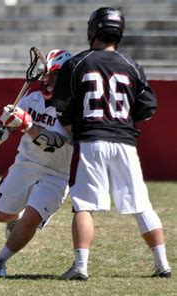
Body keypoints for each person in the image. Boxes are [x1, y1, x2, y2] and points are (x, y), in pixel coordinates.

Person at [51, 7, 171, 280]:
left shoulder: (78, 64)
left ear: (93, 30)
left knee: (84, 205)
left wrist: (74, 126)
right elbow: (148, 107)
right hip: (125, 141)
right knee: (141, 204)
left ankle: (80, 266)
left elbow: (62, 109)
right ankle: (162, 263)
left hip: (92, 140)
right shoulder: (131, 65)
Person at [0, 49, 74, 277]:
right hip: (26, 163)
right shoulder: (32, 98)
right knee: (2, 215)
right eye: (47, 75)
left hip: (57, 173)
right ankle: (13, 221)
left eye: (54, 76)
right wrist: (1, 127)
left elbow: (55, 142)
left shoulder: (73, 107)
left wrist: (28, 126)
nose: (47, 80)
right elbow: (6, 120)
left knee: (32, 217)